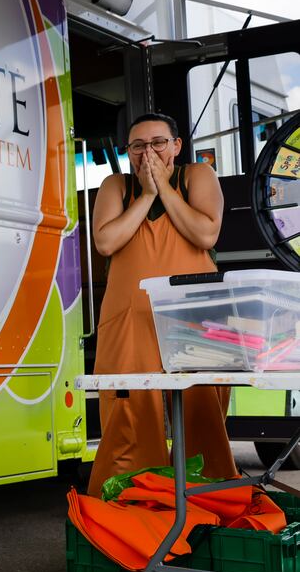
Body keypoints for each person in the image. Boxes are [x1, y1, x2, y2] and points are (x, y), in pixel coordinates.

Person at [87, 112, 238, 496]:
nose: (147, 153)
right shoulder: (115, 186)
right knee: (130, 417)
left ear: (176, 146)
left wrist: (166, 189)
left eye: (157, 143)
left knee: (202, 413)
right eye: (138, 146)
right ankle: (132, 504)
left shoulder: (196, 177)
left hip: (195, 320)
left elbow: (206, 233)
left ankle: (212, 503)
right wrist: (148, 195)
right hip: (129, 322)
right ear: (129, 152)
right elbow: (106, 242)